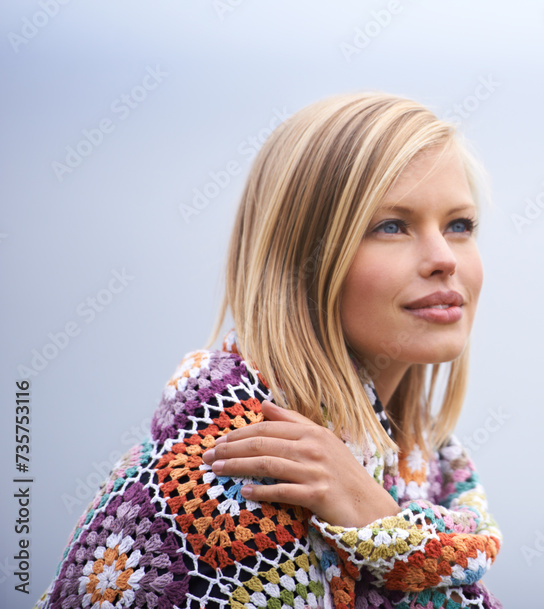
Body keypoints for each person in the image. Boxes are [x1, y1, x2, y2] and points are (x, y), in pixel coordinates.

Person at [35, 92, 503, 609]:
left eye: (459, 225)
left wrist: (381, 524)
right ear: (302, 257)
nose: (443, 258)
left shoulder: (426, 468)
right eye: (391, 225)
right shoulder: (235, 476)